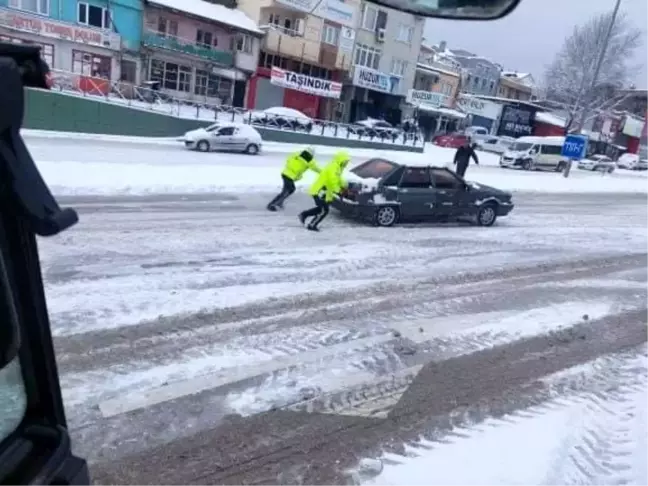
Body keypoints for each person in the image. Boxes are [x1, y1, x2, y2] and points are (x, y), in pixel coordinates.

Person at [298, 151, 350, 232]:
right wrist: (339, 191)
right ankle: (312, 225)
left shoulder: (337, 168)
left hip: (325, 192)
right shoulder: (333, 167)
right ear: (341, 160)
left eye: (347, 162)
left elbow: (338, 179)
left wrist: (345, 185)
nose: (346, 164)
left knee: (320, 209)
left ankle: (303, 215)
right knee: (324, 210)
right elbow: (332, 181)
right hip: (319, 191)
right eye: (345, 162)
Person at [267, 146, 319, 211]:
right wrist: (324, 173)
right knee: (290, 190)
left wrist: (289, 167)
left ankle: (279, 202)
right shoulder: (310, 161)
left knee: (287, 190)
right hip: (290, 176)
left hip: (285, 173)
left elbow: (288, 159)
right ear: (312, 154)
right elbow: (316, 169)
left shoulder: (297, 154)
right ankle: (272, 204)